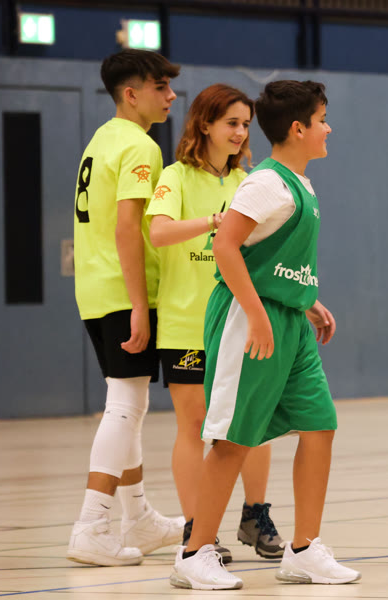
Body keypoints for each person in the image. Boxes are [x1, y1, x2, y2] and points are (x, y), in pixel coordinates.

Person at [169, 80, 361, 590]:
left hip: (289, 321)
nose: (328, 129)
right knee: (235, 439)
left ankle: (304, 551)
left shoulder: (299, 183)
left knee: (319, 425)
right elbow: (225, 246)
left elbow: (268, 257)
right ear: (298, 128)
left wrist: (305, 300)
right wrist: (257, 314)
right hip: (248, 319)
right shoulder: (266, 183)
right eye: (322, 120)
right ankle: (194, 553)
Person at [147, 83, 284, 565]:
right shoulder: (176, 177)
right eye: (231, 123)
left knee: (255, 421)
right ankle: (195, 526)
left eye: (246, 124)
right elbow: (159, 232)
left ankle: (255, 514)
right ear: (204, 124)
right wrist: (212, 222)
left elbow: (265, 257)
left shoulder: (249, 181)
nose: (241, 132)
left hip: (238, 322)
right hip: (186, 324)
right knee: (195, 427)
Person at [67, 49, 184, 566]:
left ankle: (138, 517)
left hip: (96, 290)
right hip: (124, 291)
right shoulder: (140, 146)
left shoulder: (101, 140)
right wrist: (140, 303)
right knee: (126, 406)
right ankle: (92, 524)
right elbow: (126, 227)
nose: (171, 95)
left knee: (130, 401)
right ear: (132, 94)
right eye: (161, 87)